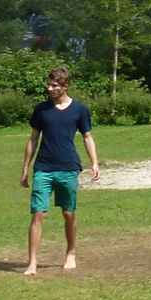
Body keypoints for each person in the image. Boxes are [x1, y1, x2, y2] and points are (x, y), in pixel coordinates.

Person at [21, 66, 100, 275]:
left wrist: (94, 162)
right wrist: (25, 168)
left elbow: (87, 137)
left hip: (68, 168)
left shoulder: (80, 110)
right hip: (43, 169)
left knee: (68, 213)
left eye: (54, 85)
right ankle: (32, 262)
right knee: (38, 214)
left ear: (65, 86)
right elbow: (33, 139)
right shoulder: (41, 109)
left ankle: (71, 253)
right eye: (48, 85)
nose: (50, 88)